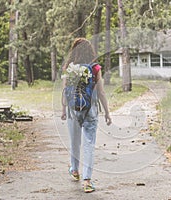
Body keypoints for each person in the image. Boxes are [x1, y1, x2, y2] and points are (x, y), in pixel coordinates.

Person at [61, 38, 112, 193]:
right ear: (90, 51)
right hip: (90, 109)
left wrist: (63, 110)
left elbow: (65, 92)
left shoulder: (70, 68)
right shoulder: (95, 68)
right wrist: (107, 113)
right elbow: (101, 92)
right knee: (89, 143)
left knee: (75, 141)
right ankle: (87, 181)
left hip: (73, 109)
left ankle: (75, 170)